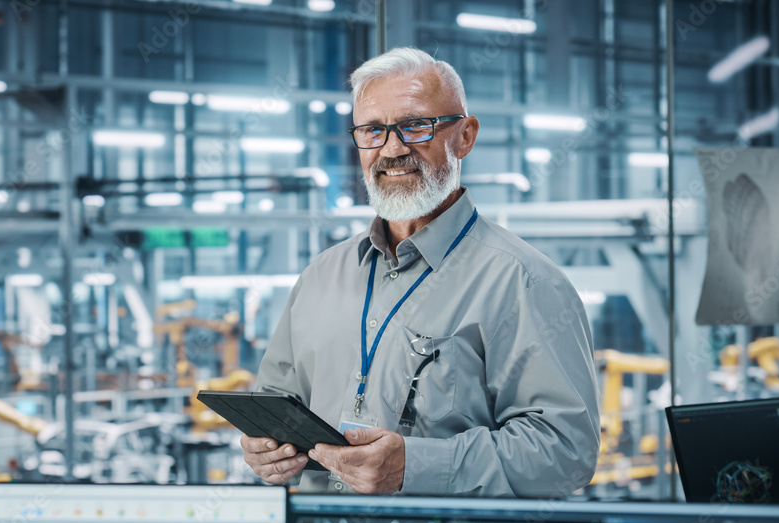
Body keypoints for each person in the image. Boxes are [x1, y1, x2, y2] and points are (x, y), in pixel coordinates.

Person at [240, 47, 600, 497]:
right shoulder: (321, 275)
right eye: (373, 130)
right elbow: (275, 400)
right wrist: (262, 448)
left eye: (415, 126)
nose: (393, 149)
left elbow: (566, 452)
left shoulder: (523, 282)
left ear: (465, 136)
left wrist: (418, 466)